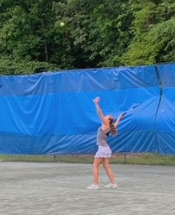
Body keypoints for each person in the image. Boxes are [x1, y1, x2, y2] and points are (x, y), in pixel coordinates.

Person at [87, 97, 124, 190]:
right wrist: (119, 118)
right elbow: (115, 125)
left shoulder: (106, 124)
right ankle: (113, 183)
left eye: (106, 117)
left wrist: (96, 103)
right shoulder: (110, 126)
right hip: (106, 148)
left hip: (103, 148)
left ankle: (95, 185)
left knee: (95, 166)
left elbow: (100, 113)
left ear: (108, 121)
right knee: (106, 166)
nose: (105, 117)